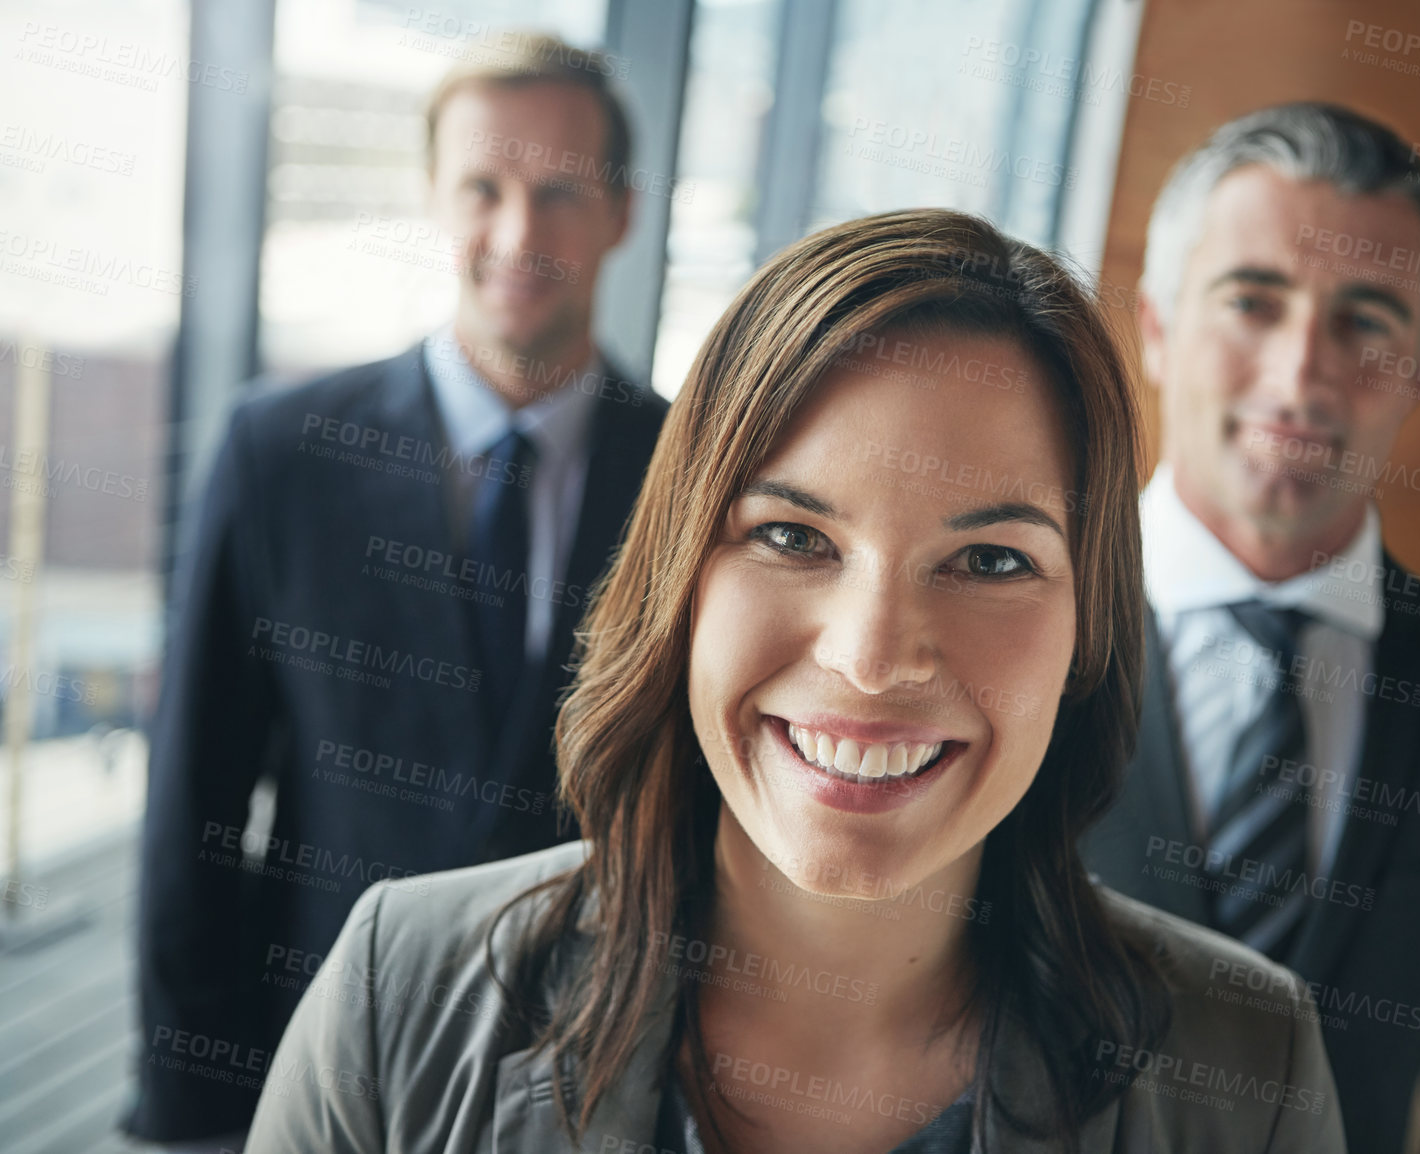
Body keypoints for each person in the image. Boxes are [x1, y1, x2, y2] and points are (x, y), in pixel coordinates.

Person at [240, 209, 1347, 1153]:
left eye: (992, 560)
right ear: (679, 578)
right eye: (792, 536)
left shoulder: (1245, 1069)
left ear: (1087, 634)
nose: (870, 657)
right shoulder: (399, 996)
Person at [126, 36, 668, 1150]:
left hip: (596, 1072)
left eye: (560, 190)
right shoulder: (283, 451)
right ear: (435, 197)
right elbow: (197, 797)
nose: (519, 233)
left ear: (622, 211)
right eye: (485, 187)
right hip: (319, 1048)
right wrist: (185, 1111)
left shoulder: (691, 475)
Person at [1081, 102, 1420, 1152]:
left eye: (1365, 319)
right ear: (1158, 327)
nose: (1299, 373)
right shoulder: (1004, 628)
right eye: (1252, 300)